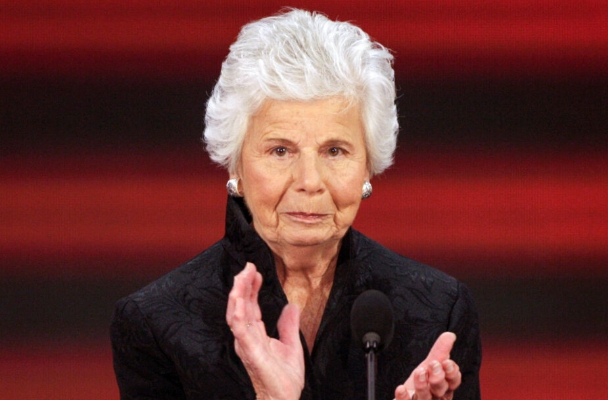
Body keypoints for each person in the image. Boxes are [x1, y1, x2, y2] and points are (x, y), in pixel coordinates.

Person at [111, 9, 481, 400]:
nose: (309, 182)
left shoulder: (438, 311)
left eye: (335, 150)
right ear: (236, 161)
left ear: (368, 166)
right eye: (281, 150)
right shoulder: (157, 322)